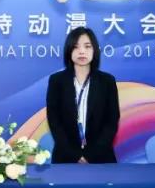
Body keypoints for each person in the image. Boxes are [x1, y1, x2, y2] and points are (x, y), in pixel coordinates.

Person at [45, 26, 120, 163]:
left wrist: (90, 155)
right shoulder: (57, 81)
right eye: (76, 47)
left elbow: (112, 121)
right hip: (65, 158)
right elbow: (54, 121)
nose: (81, 51)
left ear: (94, 50)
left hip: (101, 158)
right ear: (69, 50)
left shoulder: (107, 81)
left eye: (87, 46)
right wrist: (75, 155)